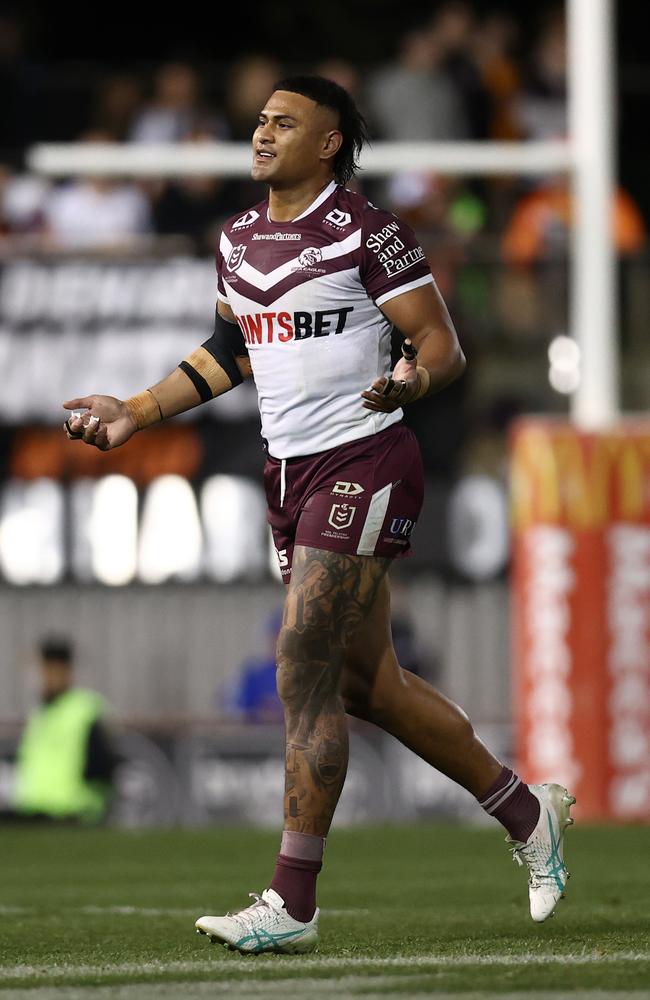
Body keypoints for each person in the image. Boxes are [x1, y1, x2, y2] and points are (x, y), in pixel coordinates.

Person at [62, 75, 576, 953]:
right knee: (366, 686)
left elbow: (440, 343)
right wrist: (134, 412)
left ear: (329, 142)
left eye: (284, 122)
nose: (262, 132)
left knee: (300, 650)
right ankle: (530, 814)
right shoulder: (236, 239)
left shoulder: (367, 231)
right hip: (289, 474)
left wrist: (413, 375)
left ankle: (291, 900)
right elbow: (232, 349)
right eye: (260, 119)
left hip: (367, 457)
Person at [13, 635, 119, 823]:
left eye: (55, 670)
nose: (49, 677)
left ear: (68, 672)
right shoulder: (39, 714)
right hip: (33, 813)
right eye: (45, 670)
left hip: (74, 815)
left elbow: (102, 765)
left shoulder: (85, 708)